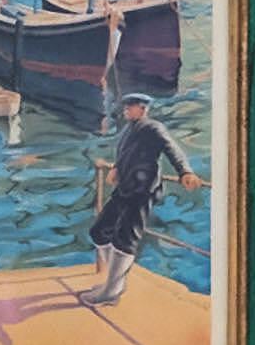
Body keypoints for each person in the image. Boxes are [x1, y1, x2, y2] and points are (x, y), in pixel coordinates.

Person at [81, 94, 200, 305]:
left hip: (142, 191)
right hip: (125, 187)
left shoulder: (153, 128)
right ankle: (114, 282)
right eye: (126, 107)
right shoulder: (131, 128)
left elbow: (172, 149)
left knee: (126, 238)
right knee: (99, 231)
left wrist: (185, 172)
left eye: (130, 107)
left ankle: (111, 291)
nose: (126, 110)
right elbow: (127, 153)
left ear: (143, 108)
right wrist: (117, 168)